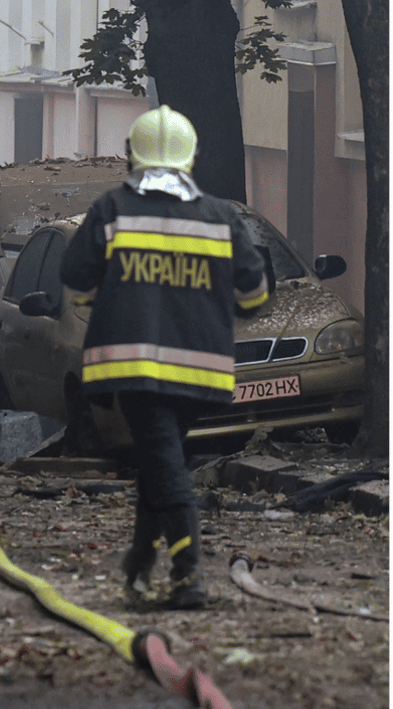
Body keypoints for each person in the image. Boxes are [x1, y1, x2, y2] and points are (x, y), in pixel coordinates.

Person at [60, 105, 269, 610]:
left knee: (165, 464)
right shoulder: (222, 217)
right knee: (163, 457)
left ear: (132, 157)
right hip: (200, 370)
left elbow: (77, 279)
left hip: (133, 367)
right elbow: (255, 295)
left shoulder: (112, 209)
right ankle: (139, 560)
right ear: (190, 157)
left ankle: (188, 572)